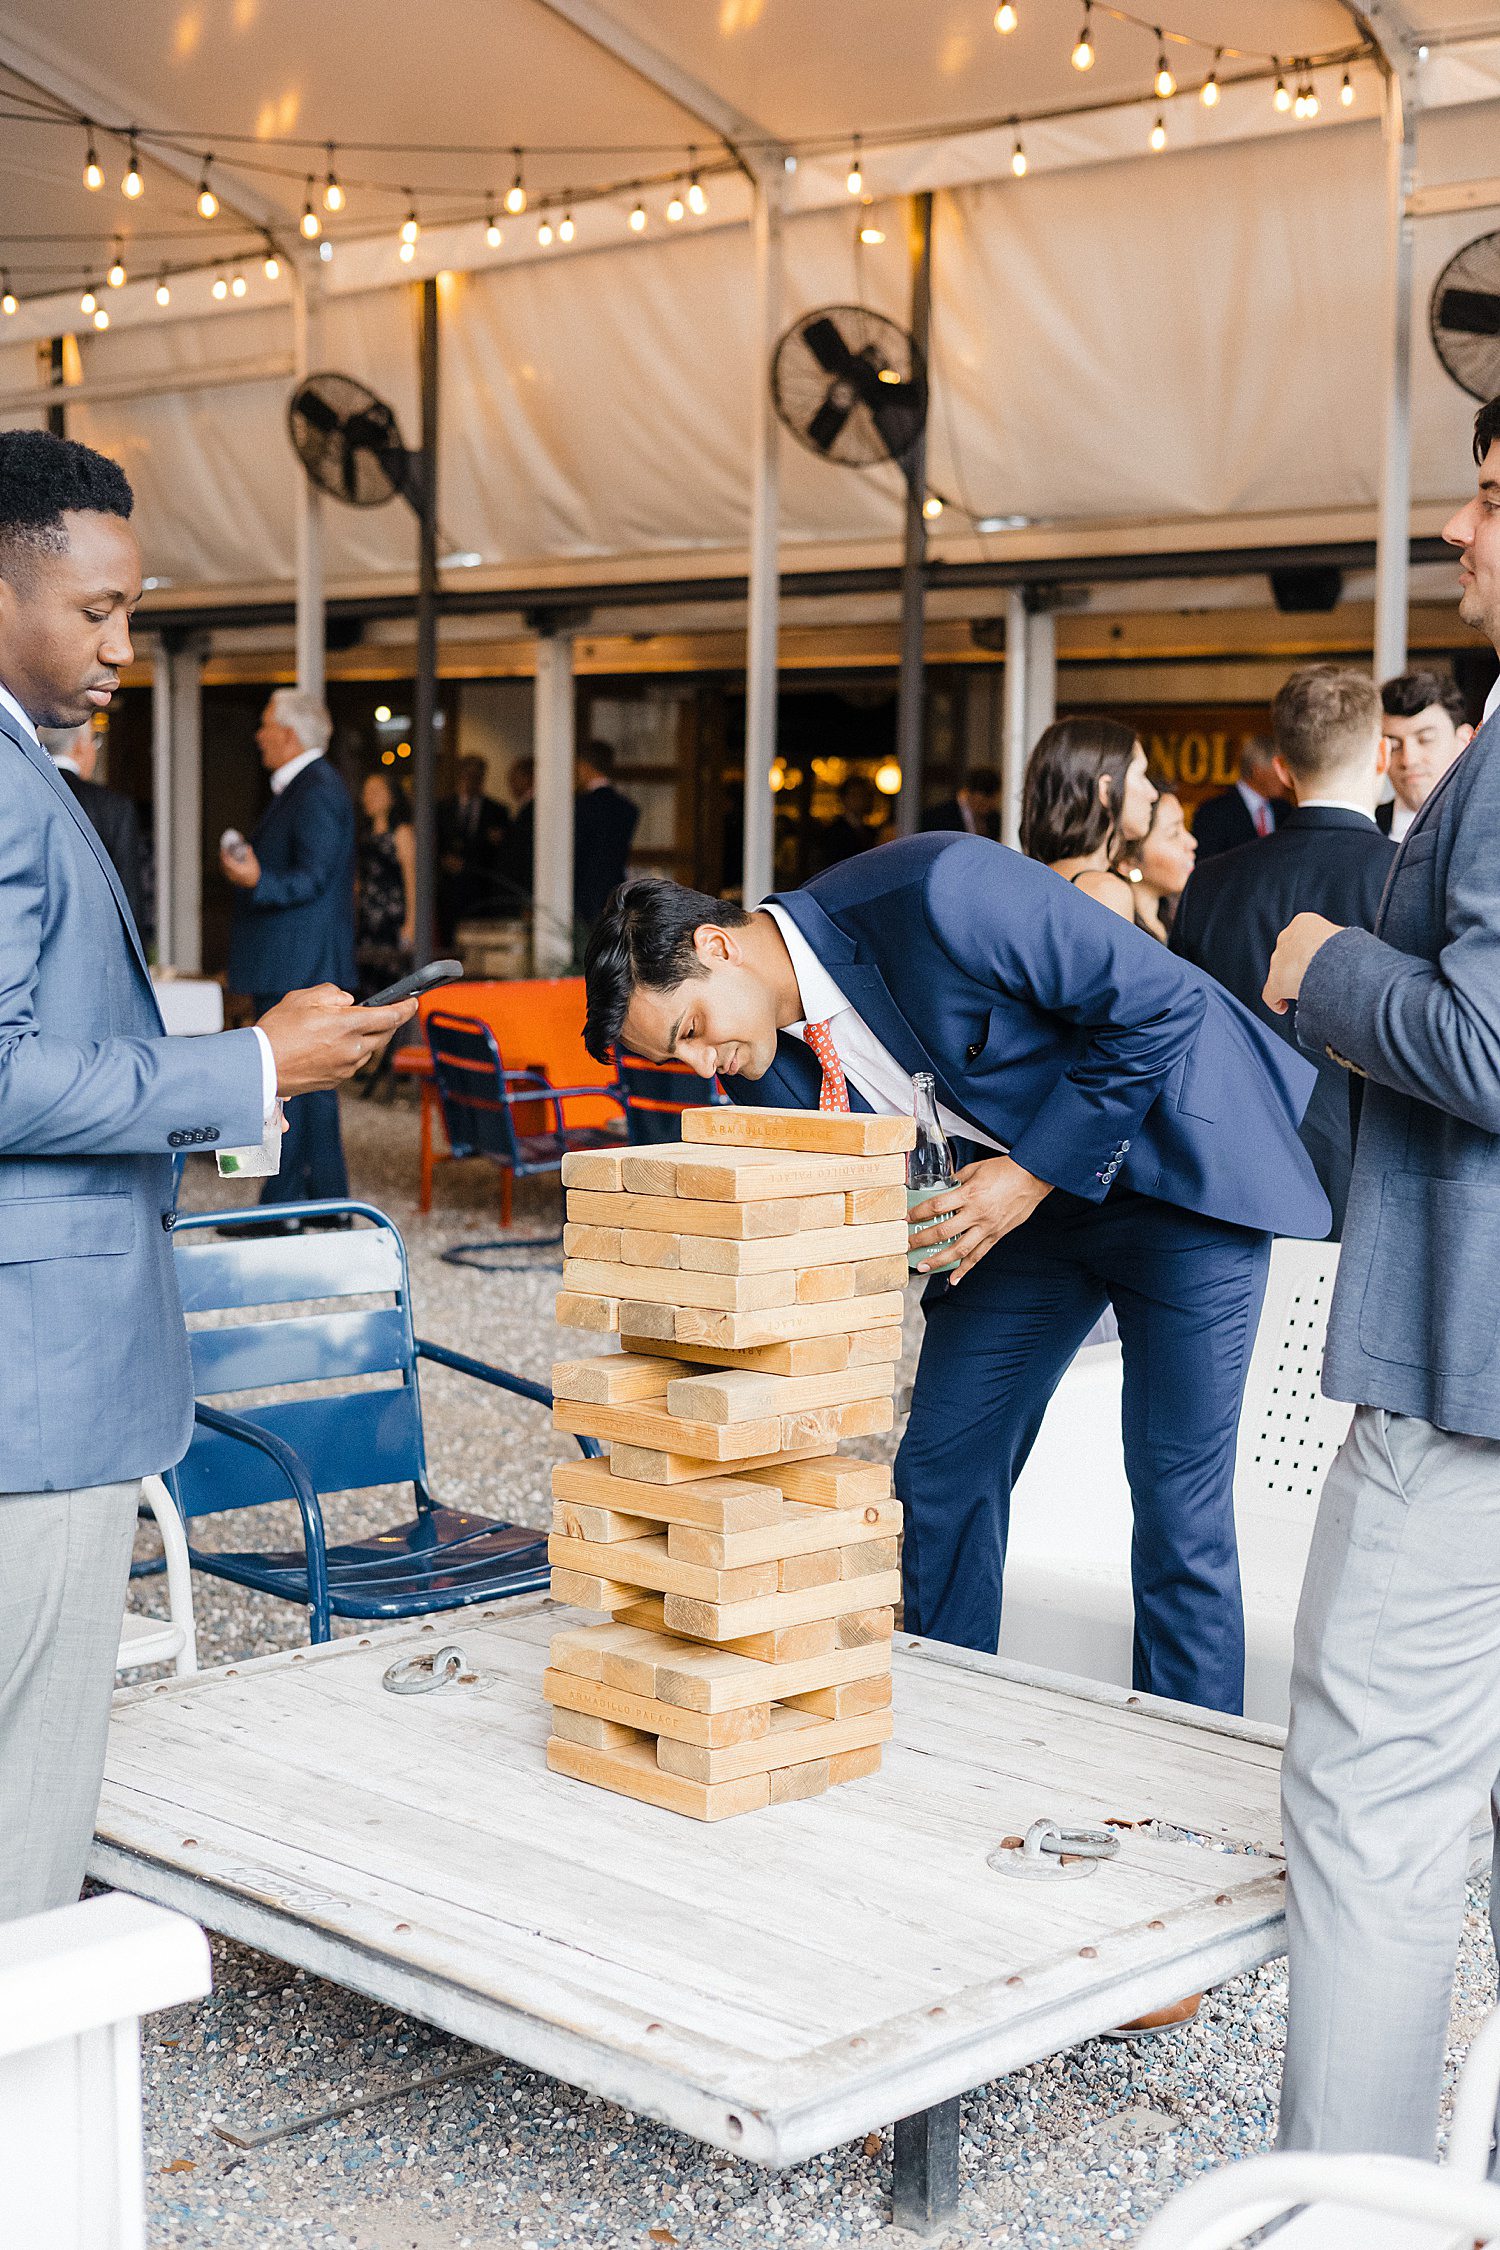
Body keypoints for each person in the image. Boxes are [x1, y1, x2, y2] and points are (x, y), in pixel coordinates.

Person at [582, 851, 1329, 1725]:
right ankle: (950, 1732)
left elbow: (1163, 1006)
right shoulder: (774, 1069)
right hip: (1018, 1224)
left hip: (1177, 1176)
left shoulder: (942, 892)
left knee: (1176, 1508)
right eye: (681, 1058)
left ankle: (1179, 1789)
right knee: (938, 1478)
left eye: (692, 1030)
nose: (707, 1063)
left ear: (717, 944)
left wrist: (1032, 1173)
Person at [0, 428, 414, 1922]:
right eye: (96, 612)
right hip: (30, 1389)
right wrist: (246, 1070)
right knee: (24, 1828)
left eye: (131, 612)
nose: (123, 647)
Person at [1267, 395, 1500, 2160]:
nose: (1462, 537)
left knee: (1369, 1802)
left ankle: (1348, 2213)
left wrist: (1325, 964)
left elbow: (1494, 1045)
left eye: (1486, 501)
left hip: (1467, 1362)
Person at [1171, 666, 1395, 1237]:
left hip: (1225, 1179)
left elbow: (1182, 1037)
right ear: (1381, 759)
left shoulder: (1211, 882)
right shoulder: (1404, 877)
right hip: (1365, 1182)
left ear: (1282, 768)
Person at [222, 690, 359, 1213]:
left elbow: (314, 878)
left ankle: (287, 1210)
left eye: (264, 725)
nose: (257, 736)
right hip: (298, 960)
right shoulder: (310, 786)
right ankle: (322, 1204)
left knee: (286, 1082)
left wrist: (257, 879)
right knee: (309, 1089)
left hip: (298, 963)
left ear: (289, 734)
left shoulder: (315, 789)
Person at [1020, 715, 1158, 926]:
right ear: (1106, 791)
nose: (1153, 794)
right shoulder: (1105, 891)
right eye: (1142, 775)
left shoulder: (1032, 882)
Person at [43, 721, 146, 930]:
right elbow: (129, 901)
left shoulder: (22, 796)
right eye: (94, 742)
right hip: (97, 945)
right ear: (80, 746)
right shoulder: (114, 809)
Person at [1378, 666, 1474, 839]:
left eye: (1426, 739)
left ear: (1464, 741)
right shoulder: (1366, 830)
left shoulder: (1487, 827)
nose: (1408, 759)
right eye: (1394, 745)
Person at [436, 752, 509, 942]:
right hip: (449, 891)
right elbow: (433, 843)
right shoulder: (443, 808)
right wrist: (444, 860)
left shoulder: (497, 811)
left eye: (477, 775)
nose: (472, 780)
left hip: (481, 890)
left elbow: (502, 854)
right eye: (468, 774)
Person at [355, 770, 416, 998]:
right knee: (367, 977)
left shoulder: (401, 833)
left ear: (392, 796)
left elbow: (411, 878)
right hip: (367, 914)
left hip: (392, 915)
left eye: (376, 791)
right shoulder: (364, 835)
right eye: (366, 792)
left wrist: (411, 922)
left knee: (392, 976)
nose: (369, 797)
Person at [1115, 789, 1196, 942]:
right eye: (1174, 834)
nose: (1192, 842)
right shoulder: (1124, 937)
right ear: (1127, 863)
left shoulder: (1180, 920)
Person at [574, 739, 640, 925]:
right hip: (615, 889)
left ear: (584, 766)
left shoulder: (580, 807)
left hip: (583, 894)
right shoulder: (626, 807)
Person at [1191, 735, 1287, 859]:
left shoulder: (1285, 810)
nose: (1285, 776)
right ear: (1257, 770)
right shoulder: (1213, 813)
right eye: (1280, 769)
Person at [493, 752, 535, 914]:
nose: (510, 783)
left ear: (527, 778)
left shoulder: (532, 810)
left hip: (519, 892)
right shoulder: (523, 809)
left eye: (514, 778)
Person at [815, 772, 884, 869]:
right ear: (844, 799)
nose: (862, 799)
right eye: (856, 794)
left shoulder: (871, 832)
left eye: (866, 795)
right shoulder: (835, 833)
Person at [921, 766, 1001, 839]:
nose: (988, 807)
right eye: (983, 802)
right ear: (968, 793)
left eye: (992, 802)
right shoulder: (938, 816)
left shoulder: (994, 819)